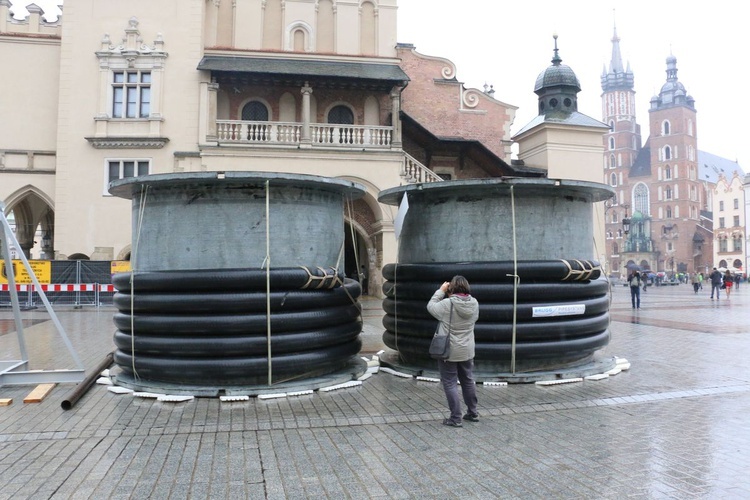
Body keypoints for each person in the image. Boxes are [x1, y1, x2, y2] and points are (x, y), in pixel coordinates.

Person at [426, 275, 480, 428]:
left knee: (450, 383)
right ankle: (473, 412)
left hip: (448, 351)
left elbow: (430, 306)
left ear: (451, 289)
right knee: (468, 380)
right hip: (467, 350)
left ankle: (455, 418)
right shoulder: (474, 303)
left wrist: (440, 291)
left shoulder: (447, 304)